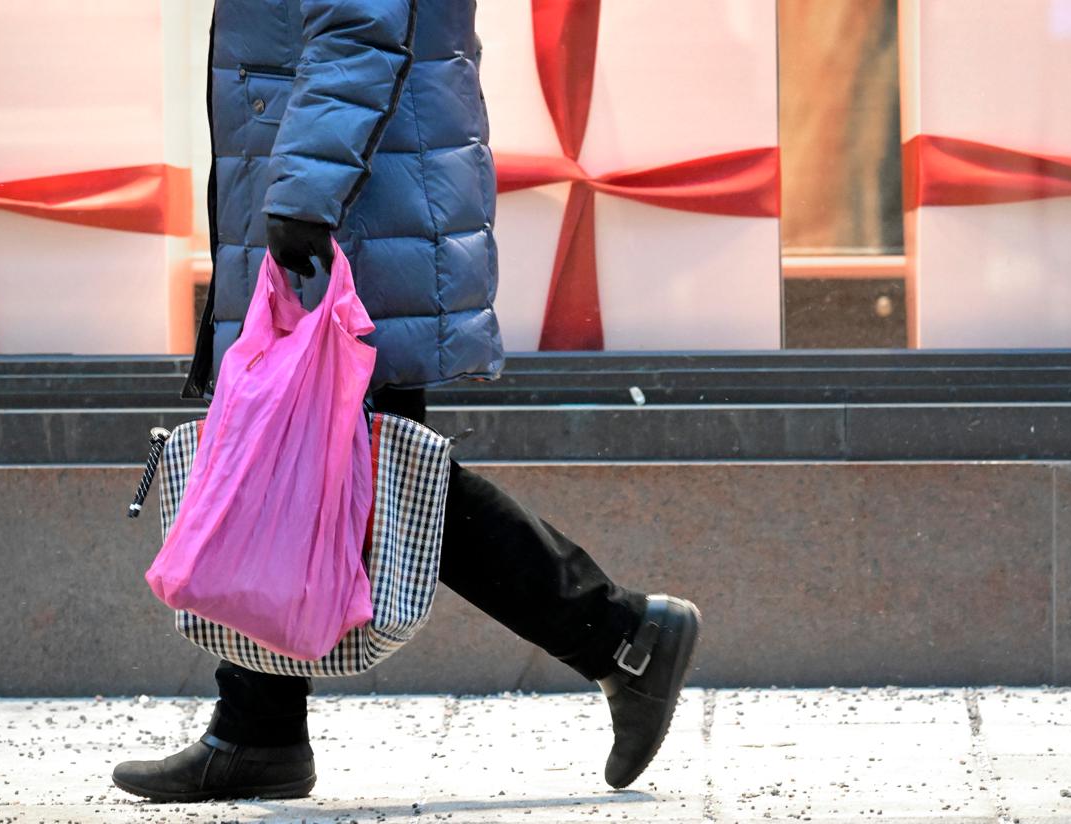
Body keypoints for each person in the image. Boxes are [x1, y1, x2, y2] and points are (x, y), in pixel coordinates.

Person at [112, 0, 701, 803]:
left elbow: (359, 25)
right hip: (344, 182)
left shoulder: (318, 188)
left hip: (352, 197)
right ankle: (259, 725)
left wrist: (305, 194)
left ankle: (621, 636)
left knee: (371, 474)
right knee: (313, 462)